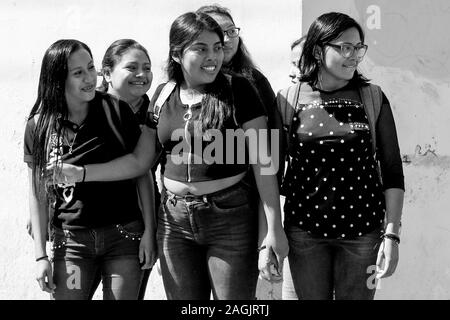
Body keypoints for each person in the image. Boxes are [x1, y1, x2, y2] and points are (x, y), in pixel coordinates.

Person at [49, 12, 288, 300]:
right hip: (174, 224)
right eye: (200, 48)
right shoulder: (163, 95)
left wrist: (273, 230)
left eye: (216, 47)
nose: (212, 56)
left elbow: (263, 164)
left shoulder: (240, 89)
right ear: (177, 54)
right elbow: (140, 162)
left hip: (230, 220)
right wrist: (82, 173)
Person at [277, 12, 404, 299]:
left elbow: (392, 171)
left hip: (363, 236)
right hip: (303, 234)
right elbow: (270, 170)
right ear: (319, 51)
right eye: (345, 47)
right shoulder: (288, 99)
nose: (354, 56)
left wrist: (391, 236)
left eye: (359, 48)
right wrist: (270, 234)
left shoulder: (372, 97)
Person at [24, 39, 156, 299]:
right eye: (78, 73)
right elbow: (36, 193)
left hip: (124, 237)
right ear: (57, 79)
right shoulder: (39, 126)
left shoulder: (115, 110)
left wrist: (149, 230)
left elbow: (142, 172)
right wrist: (40, 256)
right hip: (71, 243)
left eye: (90, 68)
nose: (89, 78)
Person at [195, 6, 284, 283]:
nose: (228, 39)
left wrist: (268, 227)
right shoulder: (185, 87)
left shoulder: (253, 82)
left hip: (243, 203)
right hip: (185, 217)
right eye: (220, 33)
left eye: (232, 31)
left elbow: (271, 152)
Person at [99, 38, 158, 300]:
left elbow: (145, 173)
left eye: (146, 67)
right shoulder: (88, 108)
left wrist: (150, 229)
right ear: (107, 73)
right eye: (132, 67)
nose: (142, 74)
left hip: (136, 221)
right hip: (85, 222)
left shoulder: (156, 111)